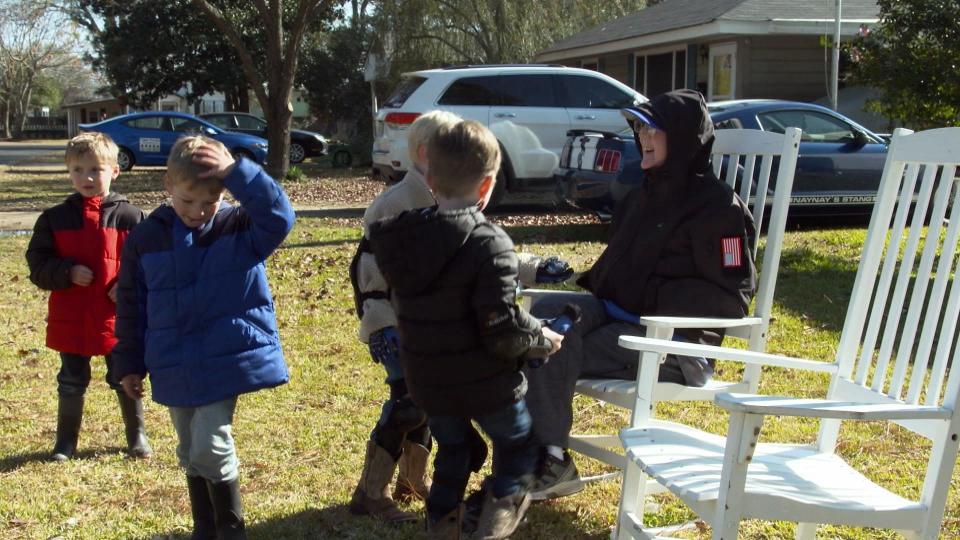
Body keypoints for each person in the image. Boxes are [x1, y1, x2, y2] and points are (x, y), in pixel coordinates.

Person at [523, 89, 757, 501]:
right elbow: (615, 269)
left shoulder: (719, 209)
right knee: (541, 316)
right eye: (640, 127)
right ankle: (536, 453)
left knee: (556, 345)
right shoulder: (643, 195)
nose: (643, 136)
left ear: (682, 137)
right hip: (620, 315)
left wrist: (650, 298)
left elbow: (732, 296)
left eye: (654, 129)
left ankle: (551, 459)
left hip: (671, 343)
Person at [349, 110, 572, 524]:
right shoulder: (395, 205)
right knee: (407, 407)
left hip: (433, 343)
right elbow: (369, 272)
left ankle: (415, 485)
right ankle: (370, 491)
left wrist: (534, 265)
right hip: (397, 328)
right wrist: (380, 324)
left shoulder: (437, 206)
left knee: (435, 416)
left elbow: (476, 258)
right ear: (425, 155)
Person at [112, 136, 295, 539]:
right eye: (187, 201)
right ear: (168, 186)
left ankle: (232, 529)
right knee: (189, 448)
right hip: (172, 363)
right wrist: (128, 363)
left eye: (209, 202)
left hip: (221, 362)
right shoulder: (146, 238)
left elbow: (279, 216)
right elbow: (131, 304)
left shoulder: (239, 228)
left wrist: (237, 170)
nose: (197, 212)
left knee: (211, 445)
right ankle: (204, 528)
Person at [25, 132, 151, 462]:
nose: (87, 177)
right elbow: (37, 265)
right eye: (78, 170)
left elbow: (153, 265)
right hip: (73, 316)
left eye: (96, 169)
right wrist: (66, 272)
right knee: (70, 379)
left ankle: (137, 435)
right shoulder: (54, 219)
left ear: (115, 171)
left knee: (125, 375)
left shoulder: (132, 218)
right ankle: (65, 443)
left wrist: (126, 283)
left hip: (117, 319)